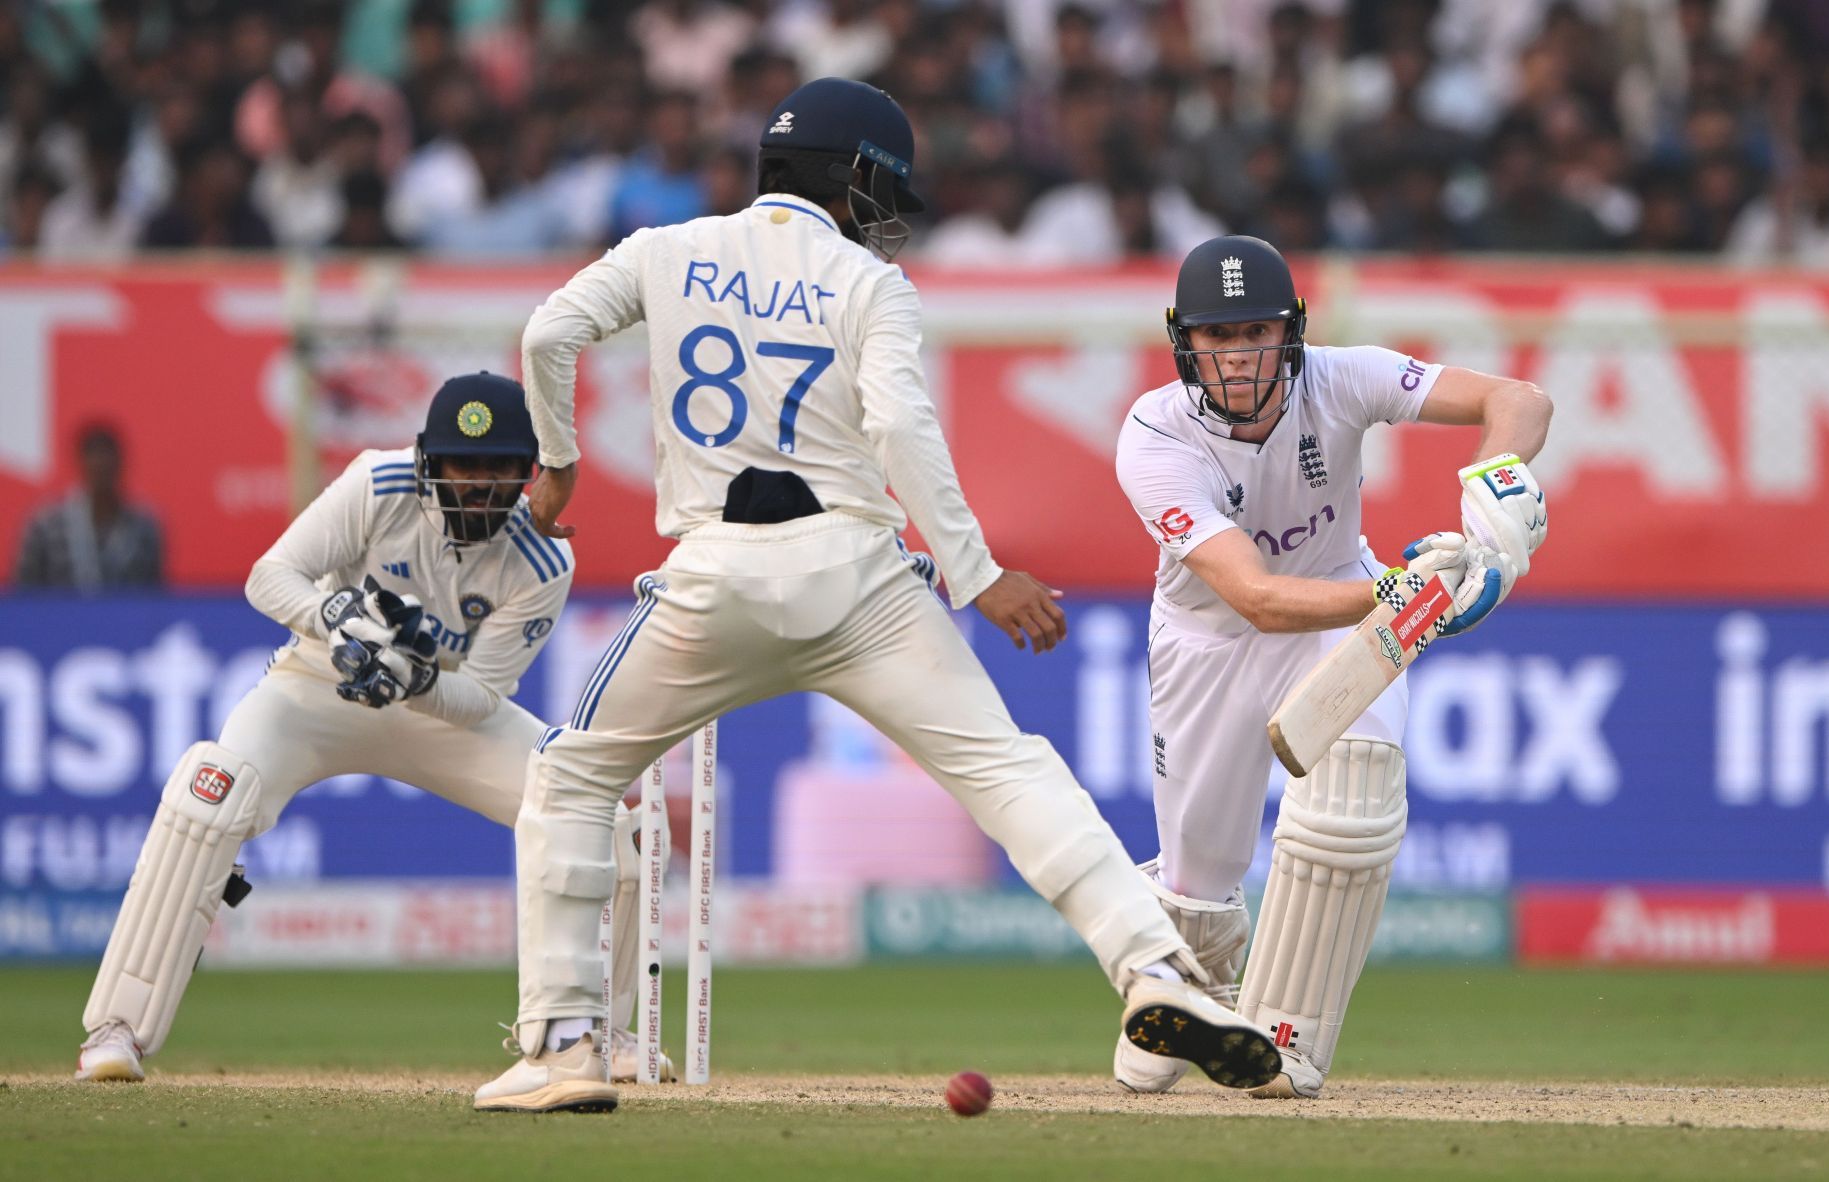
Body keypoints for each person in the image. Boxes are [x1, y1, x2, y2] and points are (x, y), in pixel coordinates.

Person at [475, 78, 1281, 1113]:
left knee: (572, 778)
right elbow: (902, 427)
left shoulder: (662, 252)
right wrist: (978, 574)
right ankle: (1154, 973)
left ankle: (566, 1045)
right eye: (882, 187)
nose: (886, 212)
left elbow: (548, 335)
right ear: (852, 177)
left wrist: (558, 465)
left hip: (711, 574)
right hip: (858, 575)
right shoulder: (868, 283)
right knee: (1012, 774)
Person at [75, 375, 661, 1084]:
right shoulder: (378, 484)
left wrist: (412, 679)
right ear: (428, 463)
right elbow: (272, 576)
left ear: (526, 474)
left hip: (434, 705)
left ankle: (596, 1031)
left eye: (499, 469)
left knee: (597, 817)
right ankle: (117, 1029)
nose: (479, 486)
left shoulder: (542, 559)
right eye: (464, 467)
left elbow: (479, 695)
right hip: (318, 686)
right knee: (212, 792)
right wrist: (338, 621)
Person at [1111, 235, 1551, 1098]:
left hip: (1342, 607)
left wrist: (1497, 479)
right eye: (1218, 336)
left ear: (1293, 333)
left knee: (1354, 800)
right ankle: (1181, 984)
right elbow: (1257, 598)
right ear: (1183, 343)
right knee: (1198, 900)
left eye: (1258, 332)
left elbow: (1518, 397)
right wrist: (1409, 591)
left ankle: (1288, 1044)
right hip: (1211, 644)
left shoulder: (1341, 376)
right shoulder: (1153, 437)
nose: (1239, 355)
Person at [14, 422, 164, 590]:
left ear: (120, 463)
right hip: (58, 614)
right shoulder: (47, 524)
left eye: (107, 461)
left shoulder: (143, 527)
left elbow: (154, 592)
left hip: (125, 615)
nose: (101, 467)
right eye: (94, 460)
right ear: (81, 462)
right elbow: (24, 591)